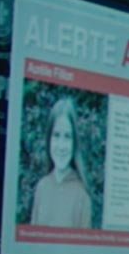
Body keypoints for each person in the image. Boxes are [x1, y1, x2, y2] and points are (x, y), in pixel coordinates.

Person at [28, 96, 93, 228]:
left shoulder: (82, 195)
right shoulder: (41, 187)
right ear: (49, 139)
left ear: (74, 142)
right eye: (56, 135)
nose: (61, 146)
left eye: (67, 137)